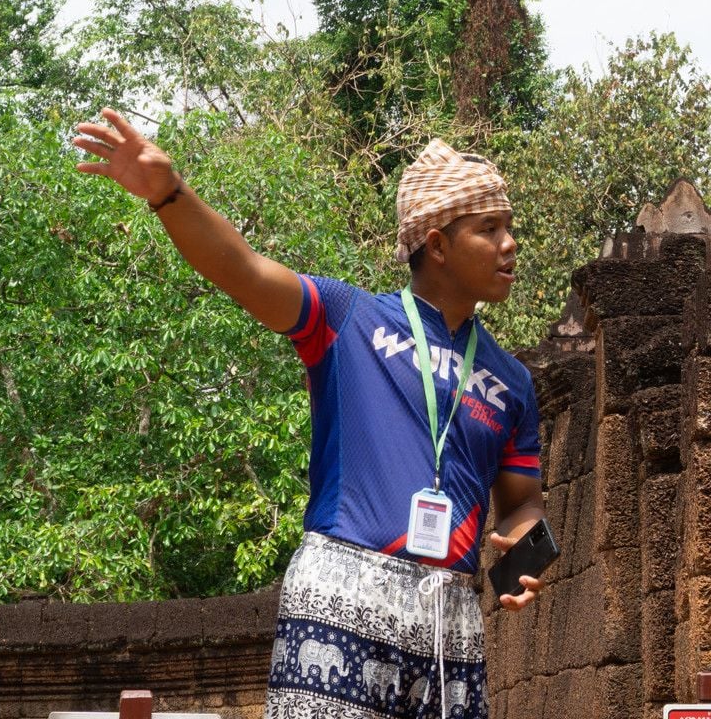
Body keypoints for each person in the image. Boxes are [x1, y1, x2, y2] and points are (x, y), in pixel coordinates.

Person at [72, 113, 545, 719]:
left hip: (450, 622)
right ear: (438, 245)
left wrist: (524, 546)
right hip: (339, 596)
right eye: (490, 228)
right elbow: (241, 270)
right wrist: (169, 193)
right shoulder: (349, 320)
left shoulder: (512, 381)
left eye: (509, 227)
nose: (510, 244)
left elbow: (523, 502)